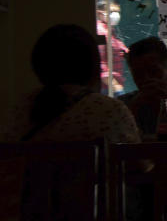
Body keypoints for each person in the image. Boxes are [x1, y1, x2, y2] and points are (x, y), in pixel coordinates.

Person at [2, 24, 139, 144]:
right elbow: (138, 165)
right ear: (93, 65)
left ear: (38, 66)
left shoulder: (20, 109)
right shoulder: (110, 110)